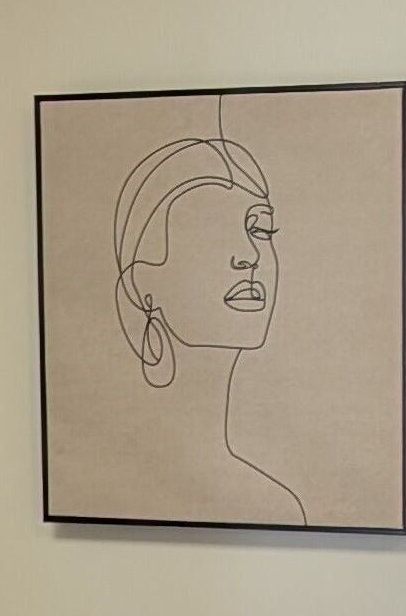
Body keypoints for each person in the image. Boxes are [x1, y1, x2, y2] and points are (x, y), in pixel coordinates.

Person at [112, 134, 306, 524]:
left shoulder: (273, 504)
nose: (250, 256)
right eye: (210, 230)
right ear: (144, 284)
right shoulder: (113, 479)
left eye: (260, 230)